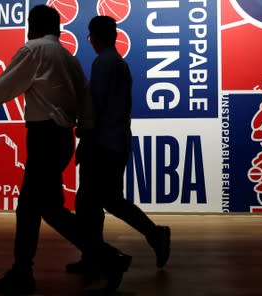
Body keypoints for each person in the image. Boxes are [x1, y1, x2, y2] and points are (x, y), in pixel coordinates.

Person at [0, 5, 95, 295]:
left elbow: (4, 87)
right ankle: (99, 254)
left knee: (30, 209)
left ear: (33, 26)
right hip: (62, 138)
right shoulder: (68, 58)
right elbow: (86, 99)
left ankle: (27, 271)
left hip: (44, 138)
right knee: (49, 209)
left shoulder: (33, 50)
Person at [71, 15, 171, 286]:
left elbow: (96, 108)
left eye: (90, 36)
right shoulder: (118, 63)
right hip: (116, 142)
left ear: (94, 37)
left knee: (89, 203)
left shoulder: (103, 63)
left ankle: (98, 254)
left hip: (103, 144)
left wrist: (84, 137)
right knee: (105, 201)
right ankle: (98, 253)